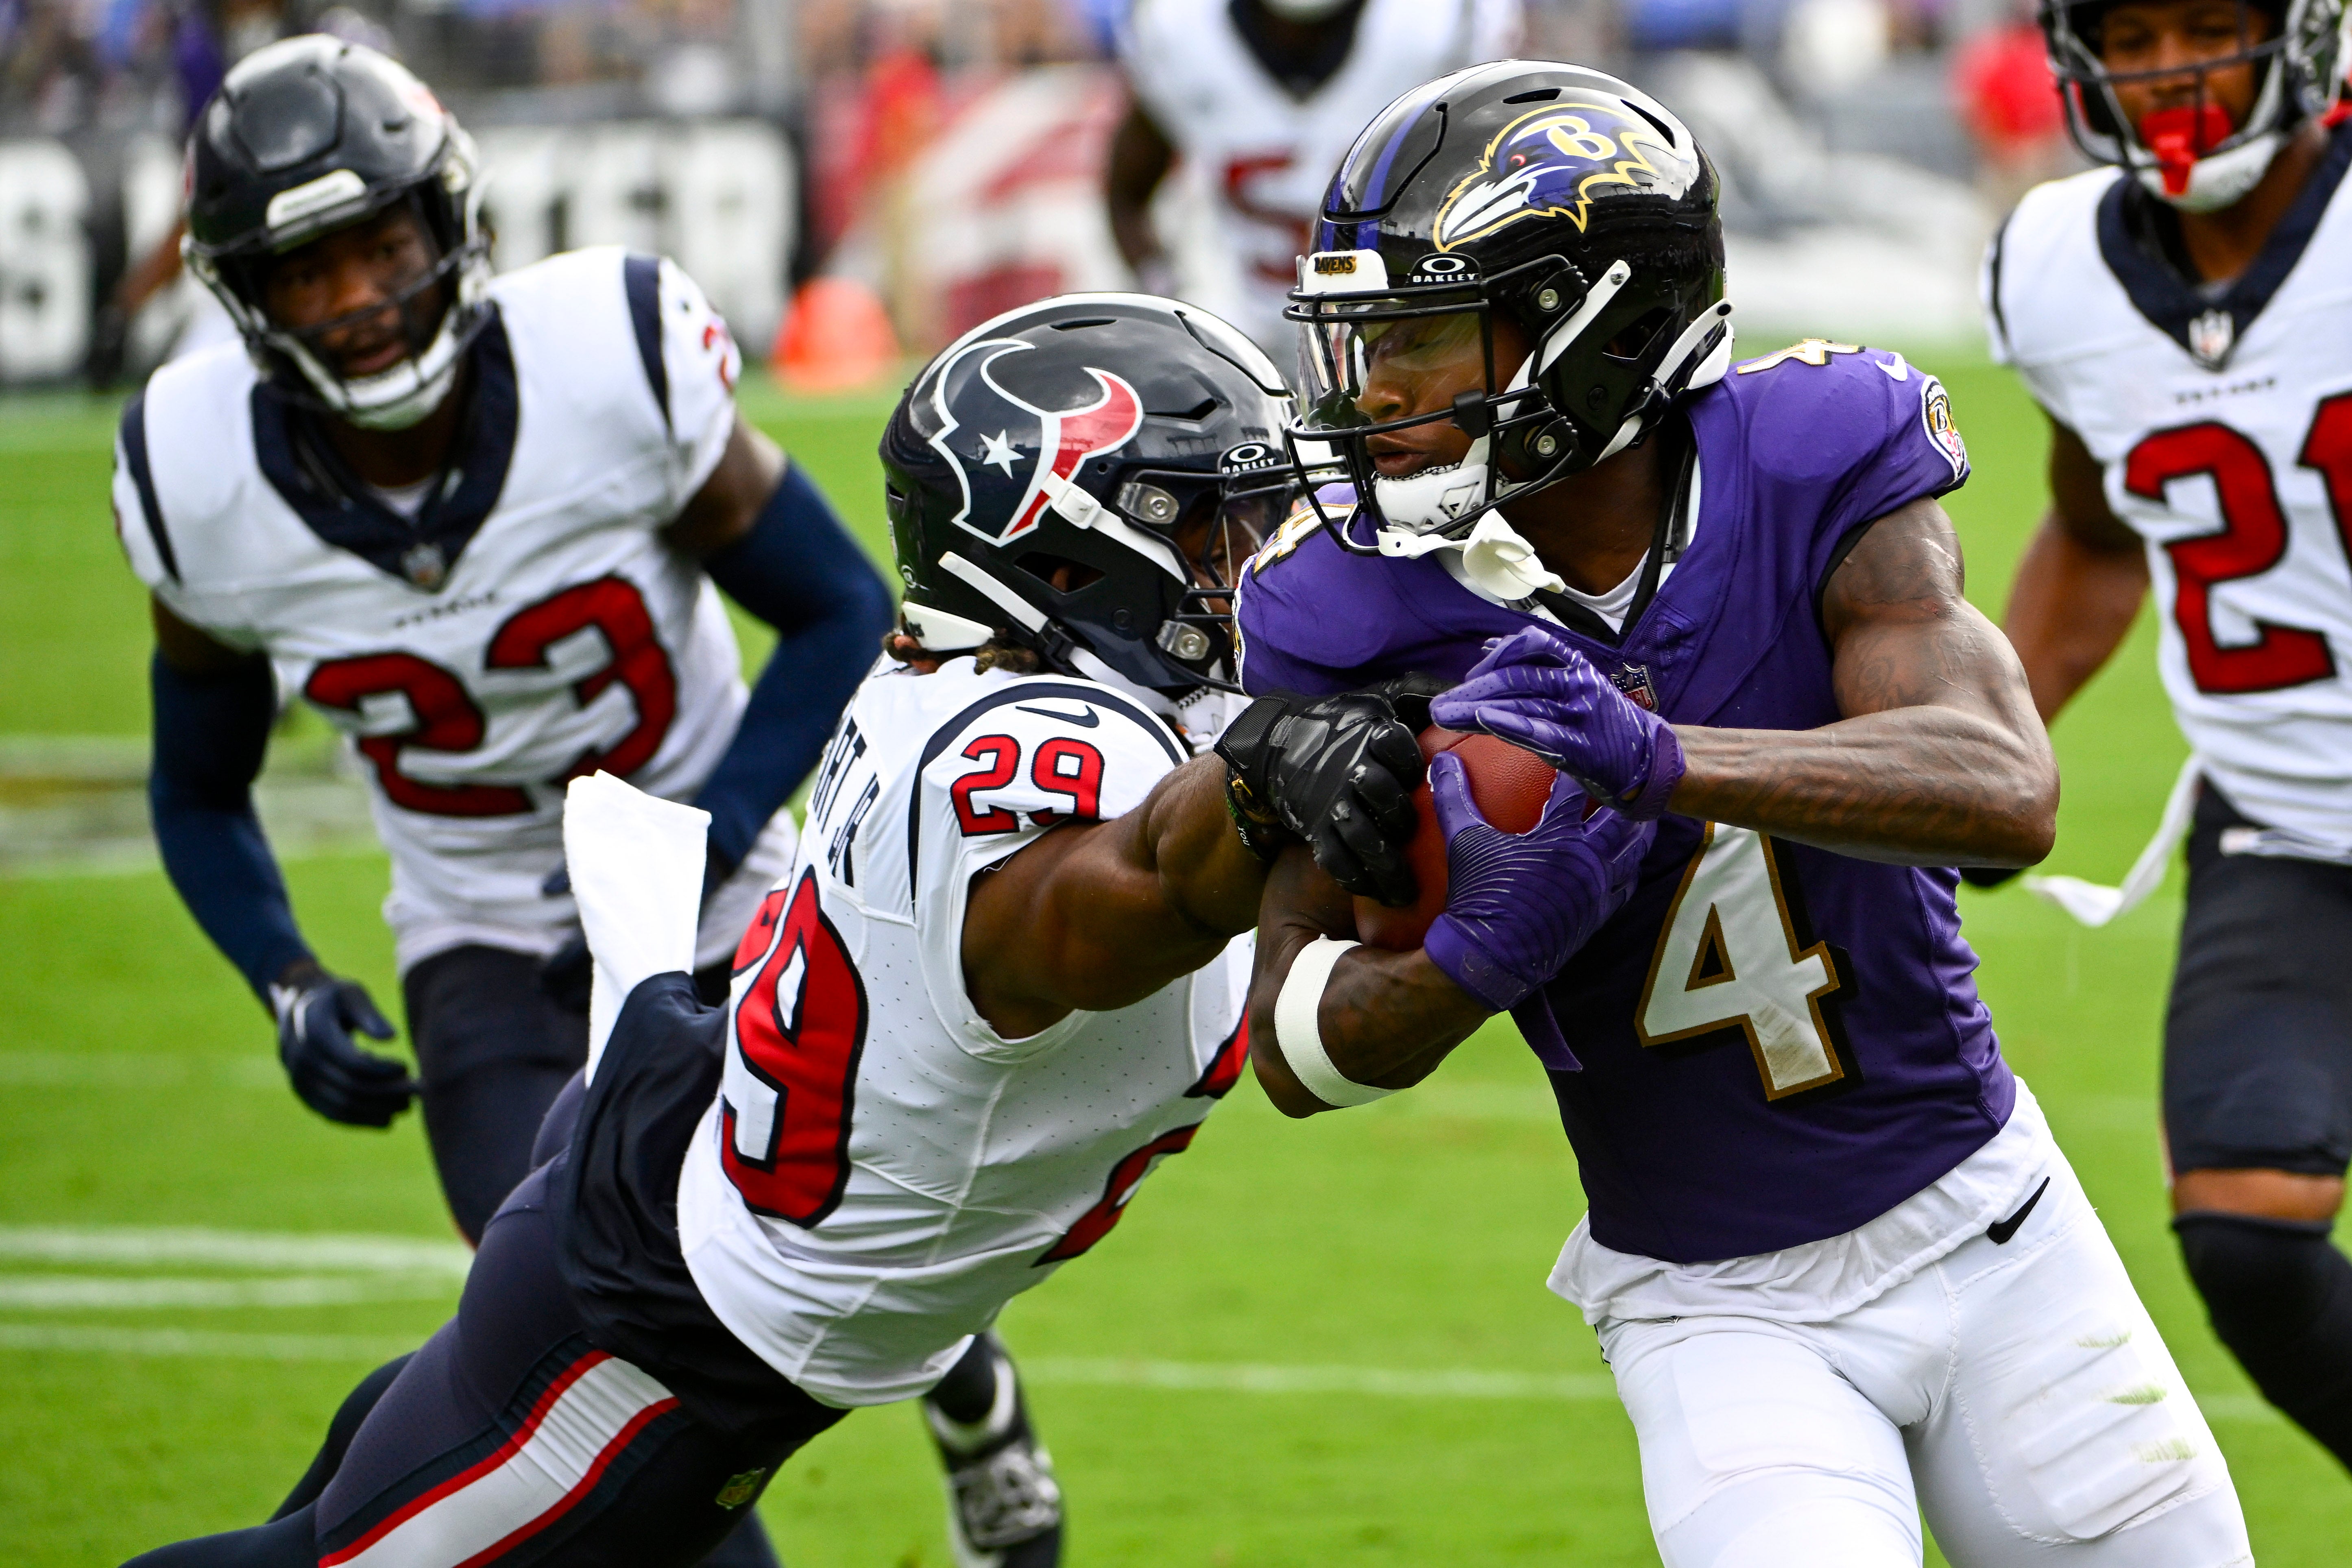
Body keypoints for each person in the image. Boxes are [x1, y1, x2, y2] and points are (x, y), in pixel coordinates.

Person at [119, 291, 1429, 1568]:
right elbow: (1136, 883)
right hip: (663, 1336)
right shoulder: (1036, 751)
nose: (1254, 559)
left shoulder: (1004, 679)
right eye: (1211, 525)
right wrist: (1268, 781)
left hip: (682, 1167)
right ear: (1070, 552)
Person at [1232, 59, 2258, 1565]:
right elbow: (1287, 1045)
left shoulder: (1805, 455)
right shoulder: (1345, 608)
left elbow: (2003, 789)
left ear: (1597, 330)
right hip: (1706, 1302)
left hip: (1991, 1227)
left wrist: (1665, 761)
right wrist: (1471, 963)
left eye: (1425, 341)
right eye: (1363, 346)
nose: (1375, 398)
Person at [111, 37, 894, 1567]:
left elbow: (835, 608)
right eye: (304, 271)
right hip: (482, 944)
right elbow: (197, 788)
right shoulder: (198, 473)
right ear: (243, 300)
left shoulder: (611, 353)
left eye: (379, 244)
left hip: (724, 910)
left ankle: (965, 1388)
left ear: (449, 222)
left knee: (625, 1354)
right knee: (608, 1362)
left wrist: (702, 833)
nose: (354, 298)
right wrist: (284, 978)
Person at [1105, 0, 1521, 362]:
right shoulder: (1181, 31)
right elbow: (1126, 192)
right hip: (1244, 340)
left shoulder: (1440, 24)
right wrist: (1168, 287)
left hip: (1399, 339)